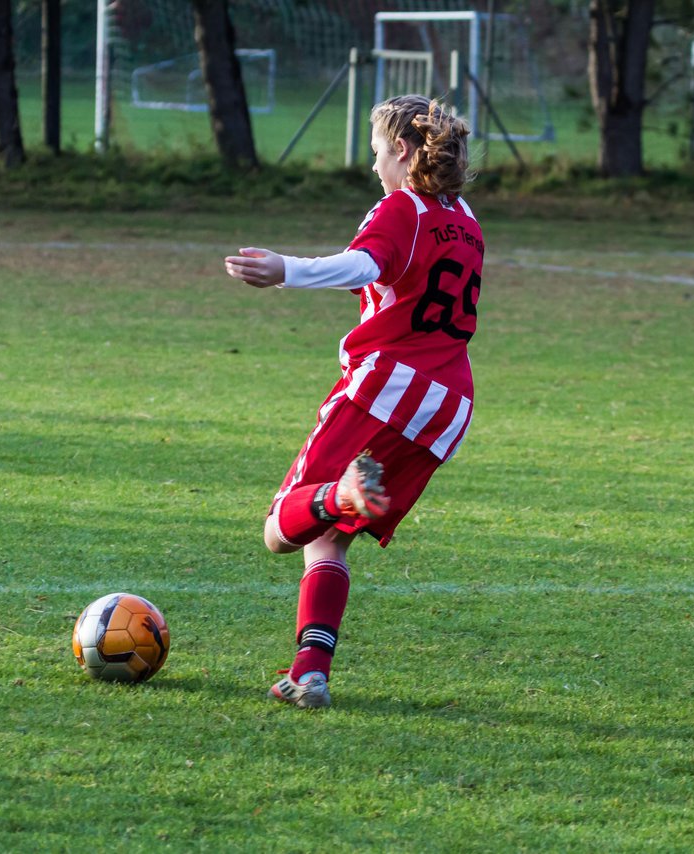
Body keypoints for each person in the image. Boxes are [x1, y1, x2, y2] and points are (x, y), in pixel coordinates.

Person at [222, 95, 483, 709]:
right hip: (449, 404)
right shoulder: (465, 216)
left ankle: (340, 491)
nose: (373, 168)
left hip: (389, 384)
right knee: (328, 541)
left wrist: (286, 268)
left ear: (401, 151)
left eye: (375, 153)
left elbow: (362, 265)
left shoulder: (402, 209)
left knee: (279, 529)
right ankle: (310, 673)